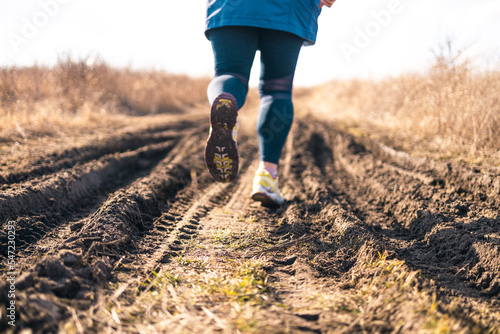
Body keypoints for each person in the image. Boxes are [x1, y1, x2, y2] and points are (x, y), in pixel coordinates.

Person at [204, 0, 335, 206]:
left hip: (231, 5)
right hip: (289, 8)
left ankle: (224, 105)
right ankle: (267, 177)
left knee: (229, 73)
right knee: (277, 89)